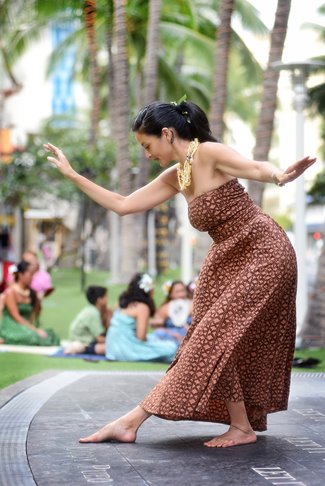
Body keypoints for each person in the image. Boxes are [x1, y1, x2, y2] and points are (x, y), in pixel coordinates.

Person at [44, 99, 316, 448]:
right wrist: (72, 175)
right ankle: (241, 426)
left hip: (263, 250)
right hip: (225, 256)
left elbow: (257, 168)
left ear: (167, 133)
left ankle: (132, 420)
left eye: (147, 145)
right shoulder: (176, 175)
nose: (146, 154)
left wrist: (279, 175)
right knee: (206, 335)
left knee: (211, 337)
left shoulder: (208, 153)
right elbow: (124, 205)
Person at [96, 273, 178, 362]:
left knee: (154, 337)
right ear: (148, 289)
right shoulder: (142, 307)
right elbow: (141, 337)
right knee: (172, 348)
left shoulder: (121, 303)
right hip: (127, 350)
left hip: (112, 350)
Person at [0, 261, 60, 346]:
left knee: (51, 336)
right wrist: (35, 330)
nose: (32, 277)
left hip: (26, 326)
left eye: (33, 275)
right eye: (30, 274)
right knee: (32, 337)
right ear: (21, 275)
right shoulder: (10, 293)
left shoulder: (32, 293)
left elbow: (34, 315)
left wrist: (39, 301)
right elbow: (16, 317)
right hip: (11, 326)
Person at [64, 285, 112, 355]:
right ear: (99, 300)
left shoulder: (91, 309)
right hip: (81, 342)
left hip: (78, 339)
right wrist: (114, 341)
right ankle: (83, 349)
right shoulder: (93, 313)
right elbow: (99, 338)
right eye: (106, 296)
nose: (108, 298)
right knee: (110, 347)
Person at [151, 280, 193, 344]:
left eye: (183, 291)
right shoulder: (166, 307)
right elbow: (156, 325)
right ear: (171, 294)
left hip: (189, 336)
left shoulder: (192, 304)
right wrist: (171, 333)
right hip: (171, 338)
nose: (181, 294)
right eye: (177, 292)